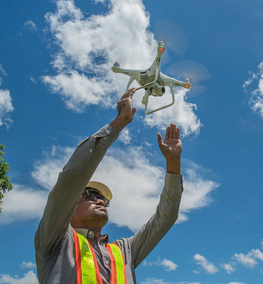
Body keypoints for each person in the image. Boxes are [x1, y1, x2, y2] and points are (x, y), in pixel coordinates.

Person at [34, 88, 183, 284]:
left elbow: (166, 218)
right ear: (69, 207)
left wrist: (173, 164)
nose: (101, 201)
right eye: (90, 195)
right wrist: (118, 123)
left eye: (103, 200)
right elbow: (71, 179)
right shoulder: (56, 240)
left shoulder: (124, 251)